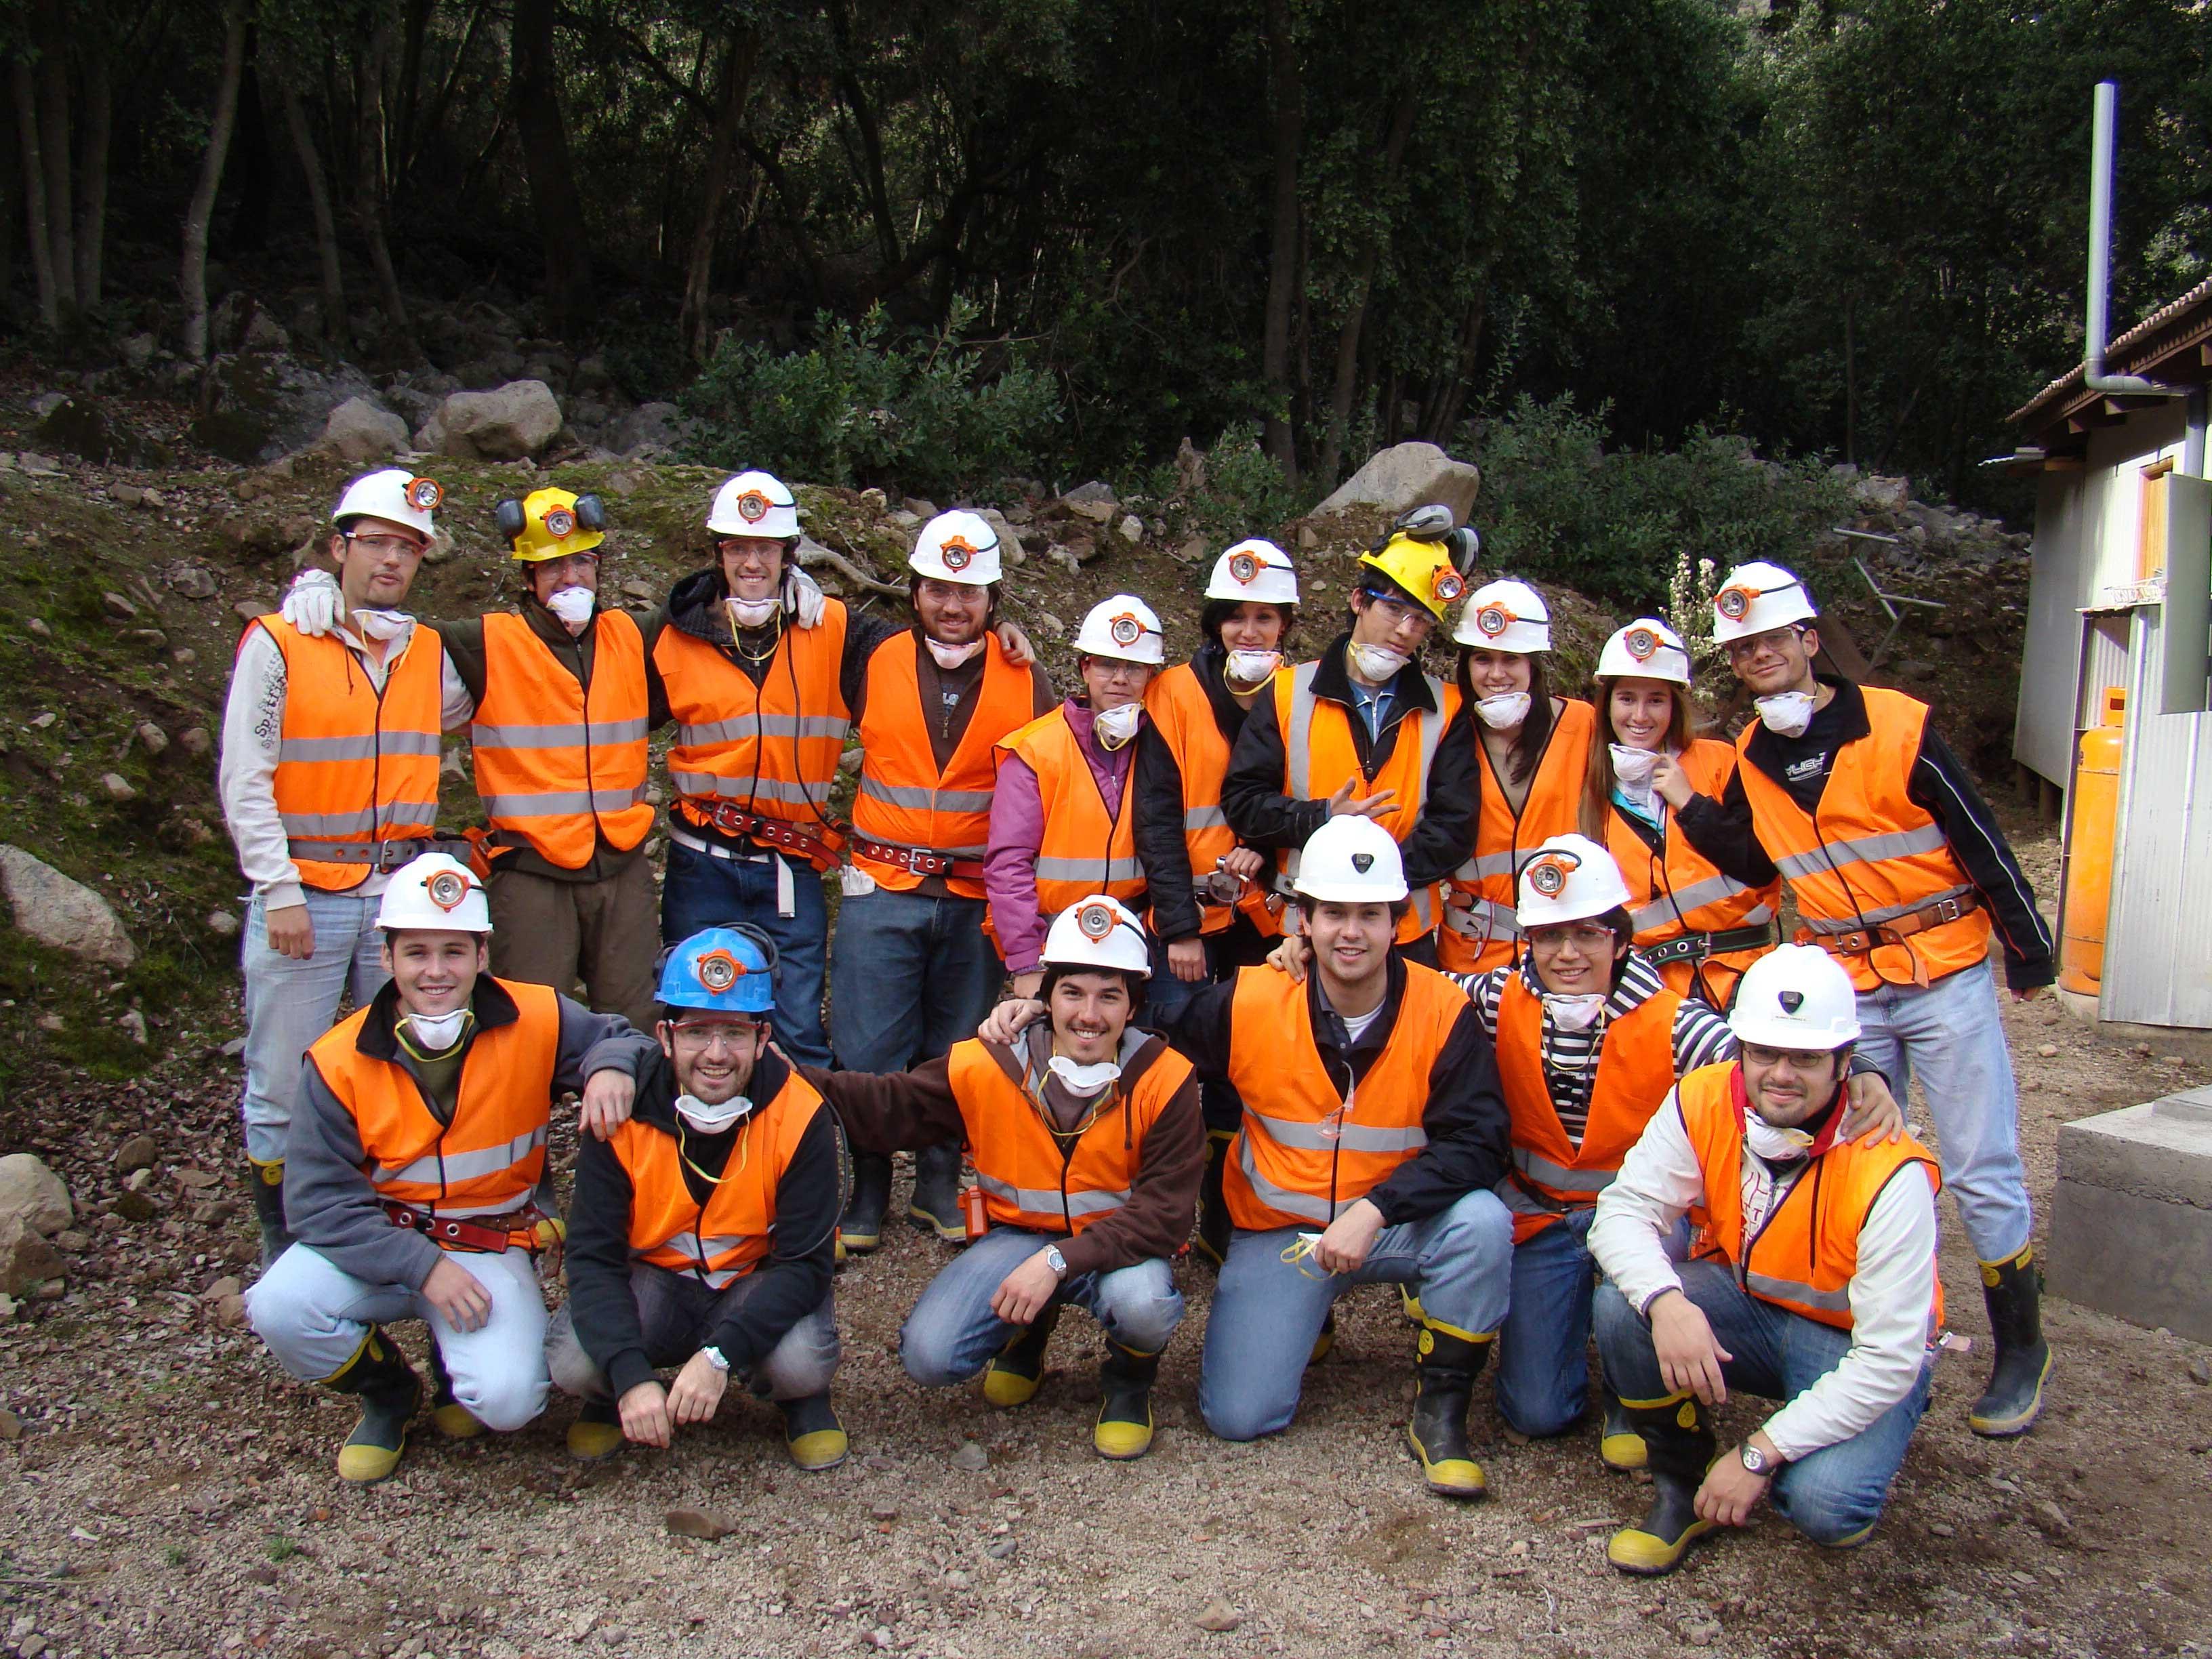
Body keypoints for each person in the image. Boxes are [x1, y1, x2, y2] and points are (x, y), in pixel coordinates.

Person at [1265, 832, 1901, 1471]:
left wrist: (1863, 1067)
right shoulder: (1490, 999)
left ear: (1620, 939)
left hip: (1643, 1224)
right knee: (1537, 1415)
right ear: (1528, 944)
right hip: (1540, 1218)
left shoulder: (1675, 1022)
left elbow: (1773, 1060)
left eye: (1589, 935)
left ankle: (1636, 1391)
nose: (1567, 954)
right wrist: (1305, 950)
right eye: (1548, 938)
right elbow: (1399, 983)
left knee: (1638, 1285)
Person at [994, 817, 1515, 1496]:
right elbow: (1148, 1040)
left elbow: (1479, 1143)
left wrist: (1377, 1208)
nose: (1350, 933)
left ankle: (1442, 1410)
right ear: (1303, 920)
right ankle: (1310, 1313)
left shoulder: (1444, 1009)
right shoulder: (1253, 998)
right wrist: (1043, 1016)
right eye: (1333, 914)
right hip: (1285, 1233)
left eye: (1369, 915)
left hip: (1393, 1225)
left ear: (1398, 921)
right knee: (1240, 1417)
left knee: (1481, 1222)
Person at [1655, 560, 2056, 1437]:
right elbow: (1760, 863)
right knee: (1849, 1151)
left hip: (1941, 971)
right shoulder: (1757, 754)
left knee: (1981, 1163)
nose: (1759, 657)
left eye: (1770, 640)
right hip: (1851, 988)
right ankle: (1864, 1327)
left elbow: (1977, 835)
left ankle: (2021, 1345)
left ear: (1807, 639)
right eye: (1742, 649)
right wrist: (1687, 806)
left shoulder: (1895, 725)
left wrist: (2028, 950)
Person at [243, 854, 654, 1483]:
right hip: (381, 1246)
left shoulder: (537, 1015)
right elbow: (317, 1204)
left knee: (511, 1402)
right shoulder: (336, 1060)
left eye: (454, 952)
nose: (436, 971)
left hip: (486, 1240)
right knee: (279, 1306)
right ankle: (388, 1393)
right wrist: (421, 1267)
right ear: (387, 958)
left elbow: (625, 1037)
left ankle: (453, 1364)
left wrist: (609, 1066)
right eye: (417, 953)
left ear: (482, 956)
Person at [650, 472, 1035, 1070]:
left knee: (803, 1035)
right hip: (706, 860)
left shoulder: (836, 630)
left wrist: (1005, 637)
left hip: (798, 863)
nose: (754, 562)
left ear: (789, 556)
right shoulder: (677, 632)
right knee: (696, 1014)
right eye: (738, 549)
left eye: (768, 550)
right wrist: (696, 597)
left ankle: (807, 1156)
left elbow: (934, 649)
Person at [1589, 945, 1944, 1573]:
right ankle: (1684, 1483)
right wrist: (1667, 1305)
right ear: (1741, 1049)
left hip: (1856, 1350)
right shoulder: (1702, 1097)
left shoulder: (1893, 1171)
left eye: (1805, 1058)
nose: (1781, 1074)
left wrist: (1757, 1452)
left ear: (1844, 1064)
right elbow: (1622, 1211)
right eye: (1764, 1054)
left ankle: (1822, 1442)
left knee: (1824, 1508)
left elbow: (1889, 1357)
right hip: (1753, 1311)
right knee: (1624, 1306)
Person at [817, 896, 1202, 1460]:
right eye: (1072, 993)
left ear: (1133, 1006)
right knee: (931, 1355)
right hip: (1018, 1239)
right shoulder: (991, 1061)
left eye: (1109, 996)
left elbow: (1163, 1216)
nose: (1088, 1015)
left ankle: (1128, 1381)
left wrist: (1055, 1263)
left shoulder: (1166, 1081)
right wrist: (781, 1078)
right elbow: (888, 1107)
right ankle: (1027, 1332)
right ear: (1045, 999)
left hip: (1118, 1250)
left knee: (1144, 1305)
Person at [280, 486, 660, 1030]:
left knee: (635, 1027)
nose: (570, 578)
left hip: (623, 872)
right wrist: (327, 591)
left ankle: (627, 1117)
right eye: (551, 566)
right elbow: (385, 641)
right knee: (525, 1031)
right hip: (531, 875)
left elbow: (707, 613)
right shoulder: (483, 643)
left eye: (581, 561)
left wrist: (793, 580)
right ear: (528, 577)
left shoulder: (634, 636)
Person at [221, 468, 472, 1264]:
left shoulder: (427, 651)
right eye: (377, 543)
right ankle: (283, 1239)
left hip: (399, 893)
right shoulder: (280, 642)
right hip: (307, 893)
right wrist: (276, 885)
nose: (392, 561)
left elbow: (491, 697)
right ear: (340, 546)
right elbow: (244, 775)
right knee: (282, 1076)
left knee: (403, 1060)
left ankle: (391, 1217)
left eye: (408, 548)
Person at [833, 512, 1054, 1252]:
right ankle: (866, 1195)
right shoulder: (870, 655)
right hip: (882, 888)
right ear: (915, 591)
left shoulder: (1029, 678)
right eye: (937, 588)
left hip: (973, 899)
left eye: (968, 591)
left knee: (957, 1045)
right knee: (867, 1046)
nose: (952, 605)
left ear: (994, 598)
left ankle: (933, 1187)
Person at [548, 927, 847, 1470]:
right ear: (665, 1038)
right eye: (697, 1032)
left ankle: (797, 1399)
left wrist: (718, 1356)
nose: (715, 1054)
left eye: (734, 1033)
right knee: (573, 1362)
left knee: (803, 1361)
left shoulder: (801, 1113)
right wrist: (628, 1373)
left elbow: (806, 1266)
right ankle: (616, 1394)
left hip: (751, 1284)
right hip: (653, 1285)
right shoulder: (620, 1110)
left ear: (762, 1040)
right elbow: (593, 1258)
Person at [1134, 538, 1299, 1261]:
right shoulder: (1171, 692)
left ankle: (1226, 1216)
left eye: (1266, 618)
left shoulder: (1302, 693)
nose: (1250, 633)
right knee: (1177, 1063)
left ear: (1287, 625)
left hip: (1266, 918)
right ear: (1214, 622)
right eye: (1236, 617)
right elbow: (1157, 818)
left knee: (1253, 1063)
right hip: (1190, 920)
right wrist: (1179, 926)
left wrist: (1264, 846)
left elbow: (1300, 799)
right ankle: (1161, 1216)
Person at [1221, 516, 1480, 964]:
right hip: (1301, 931)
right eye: (1395, 610)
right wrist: (1320, 815)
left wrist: (1376, 882)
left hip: (1402, 932)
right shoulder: (1286, 692)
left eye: (1420, 621)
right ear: (1360, 600)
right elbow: (1243, 802)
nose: (1404, 631)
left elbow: (1454, 828)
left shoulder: (1447, 708)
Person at [1580, 618, 1779, 1007]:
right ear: (1607, 706)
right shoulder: (1590, 789)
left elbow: (1763, 864)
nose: (1640, 715)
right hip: (1650, 988)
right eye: (1627, 699)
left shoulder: (1722, 762)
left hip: (1743, 973)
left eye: (1656, 699)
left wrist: (1691, 804)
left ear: (1675, 706)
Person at [985, 595, 1165, 998]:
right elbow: (1008, 863)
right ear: (1085, 667)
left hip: (1133, 938)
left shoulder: (1160, 745)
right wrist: (1027, 959)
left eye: (1134, 667)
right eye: (1106, 664)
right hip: (1055, 942)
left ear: (1150, 674)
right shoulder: (1037, 748)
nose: (1120, 678)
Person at [1437, 579, 1593, 974]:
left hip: (1562, 949)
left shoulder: (1583, 725)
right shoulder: (1445, 731)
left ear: (1533, 666)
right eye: (1482, 659)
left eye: (1511, 659)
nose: (1496, 674)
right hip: (1470, 952)